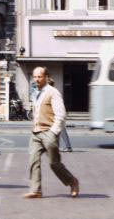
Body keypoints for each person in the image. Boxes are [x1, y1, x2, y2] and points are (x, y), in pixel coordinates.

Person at [24, 66, 79, 199]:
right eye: (35, 76)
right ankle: (36, 190)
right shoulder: (36, 92)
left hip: (48, 132)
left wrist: (53, 132)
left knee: (54, 164)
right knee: (33, 160)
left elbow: (61, 114)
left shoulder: (53, 92)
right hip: (36, 132)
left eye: (39, 76)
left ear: (46, 77)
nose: (36, 79)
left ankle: (72, 181)